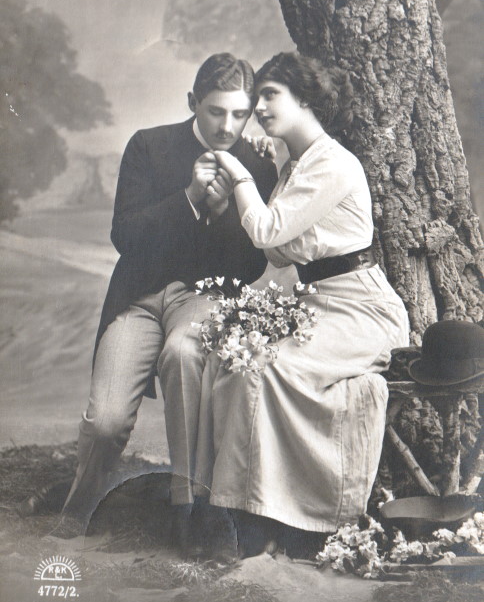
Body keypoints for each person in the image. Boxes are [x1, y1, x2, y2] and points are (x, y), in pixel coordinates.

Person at [51, 53, 277, 554]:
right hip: (138, 297)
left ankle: (188, 511)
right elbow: (125, 236)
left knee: (183, 354)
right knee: (107, 420)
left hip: (204, 297)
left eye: (240, 114)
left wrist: (226, 212)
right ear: (193, 102)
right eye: (215, 111)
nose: (227, 126)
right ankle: (77, 508)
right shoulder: (149, 146)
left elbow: (252, 267)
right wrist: (190, 198)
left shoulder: (258, 164)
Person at [194, 52, 410, 557]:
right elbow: (276, 252)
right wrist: (265, 169)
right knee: (235, 366)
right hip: (319, 304)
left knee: (265, 369)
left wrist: (238, 172)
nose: (259, 107)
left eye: (271, 95)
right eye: (258, 97)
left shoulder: (333, 163)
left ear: (305, 99)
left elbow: (267, 231)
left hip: (362, 309)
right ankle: (245, 514)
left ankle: (301, 525)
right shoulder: (296, 165)